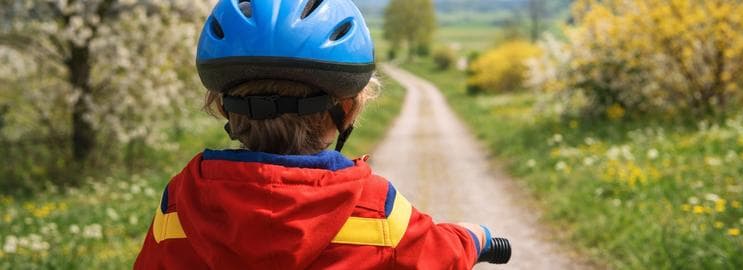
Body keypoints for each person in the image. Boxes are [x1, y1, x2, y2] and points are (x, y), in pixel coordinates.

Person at [134, 0, 493, 269]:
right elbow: (440, 255)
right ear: (348, 108)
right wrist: (475, 236)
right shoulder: (375, 208)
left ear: (224, 107)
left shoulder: (179, 203)